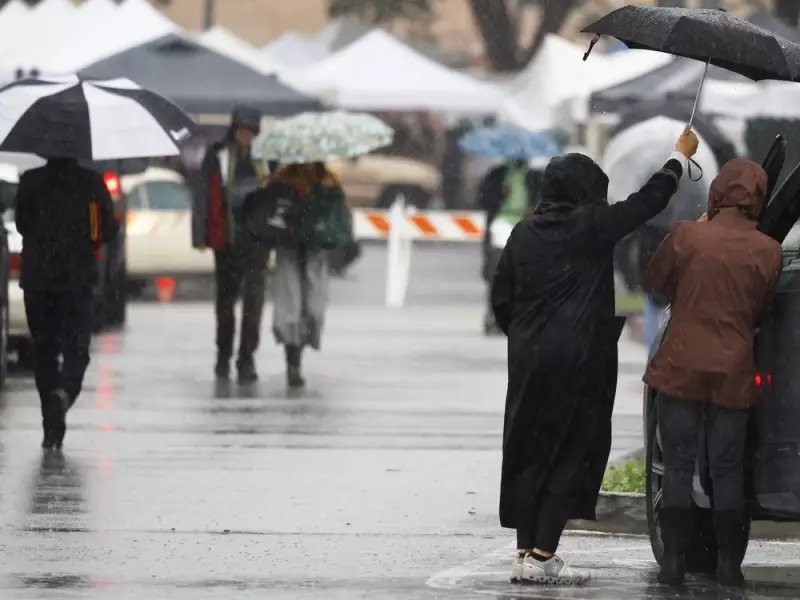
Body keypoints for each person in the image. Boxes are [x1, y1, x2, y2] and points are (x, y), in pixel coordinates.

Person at [491, 129, 699, 585]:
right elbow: (649, 201)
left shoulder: (523, 234)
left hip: (529, 361)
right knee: (574, 449)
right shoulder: (591, 227)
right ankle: (544, 552)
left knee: (531, 447)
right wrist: (678, 159)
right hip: (580, 361)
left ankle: (527, 548)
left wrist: (528, 337)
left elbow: (501, 299)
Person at [643, 158, 783, 588]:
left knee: (680, 465)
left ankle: (674, 563)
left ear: (717, 191)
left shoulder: (688, 235)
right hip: (733, 369)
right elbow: (762, 309)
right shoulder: (769, 250)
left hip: (681, 364)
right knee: (726, 469)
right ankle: (728, 566)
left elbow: (656, 280)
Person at [15, 157, 119, 450]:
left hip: (38, 279)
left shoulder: (30, 180)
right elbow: (106, 230)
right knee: (76, 349)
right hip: (76, 279)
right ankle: (64, 394)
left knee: (44, 350)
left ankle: (50, 428)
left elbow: (22, 224)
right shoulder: (91, 182)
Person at [256, 162, 352, 388]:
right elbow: (266, 214)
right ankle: (293, 363)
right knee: (290, 308)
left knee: (314, 309)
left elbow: (339, 222)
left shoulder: (329, 185)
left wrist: (322, 228)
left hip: (315, 252)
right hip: (289, 249)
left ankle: (300, 350)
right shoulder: (281, 182)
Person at [192, 106, 270, 384]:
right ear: (234, 129)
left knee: (254, 304)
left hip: (258, 243)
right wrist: (199, 234)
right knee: (225, 304)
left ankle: (246, 357)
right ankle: (223, 355)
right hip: (226, 240)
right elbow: (202, 193)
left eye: (251, 131)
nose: (246, 136)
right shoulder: (218, 155)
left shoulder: (266, 158)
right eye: (242, 130)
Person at [479, 158, 541, 334]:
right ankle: (494, 317)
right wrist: (500, 197)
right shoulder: (497, 174)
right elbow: (484, 199)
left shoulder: (535, 177)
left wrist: (533, 207)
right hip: (501, 224)